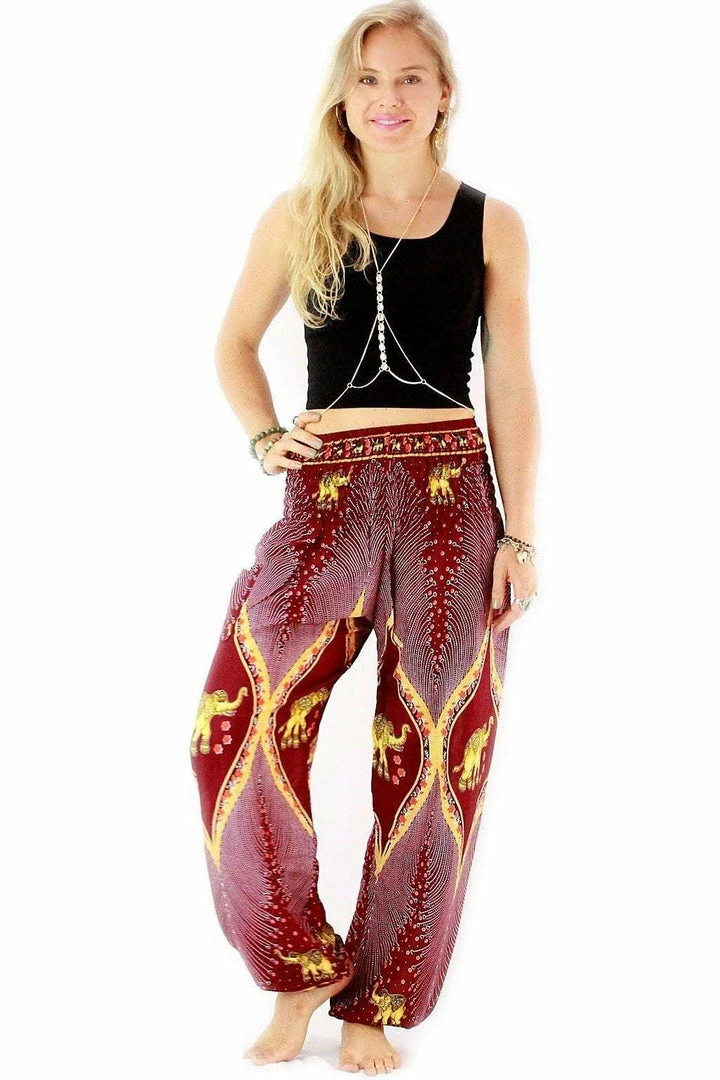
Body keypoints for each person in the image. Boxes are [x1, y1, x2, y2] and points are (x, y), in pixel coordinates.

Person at [189, 1, 540, 1073]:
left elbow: (513, 383)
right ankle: (299, 967)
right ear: (343, 98)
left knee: (436, 752)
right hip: (326, 496)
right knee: (235, 731)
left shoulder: (491, 221)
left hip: (451, 500)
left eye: (410, 78)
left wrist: (521, 536)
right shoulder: (300, 213)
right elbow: (233, 343)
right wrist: (264, 436)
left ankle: (377, 1002)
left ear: (444, 94)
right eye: (369, 79)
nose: (389, 97)